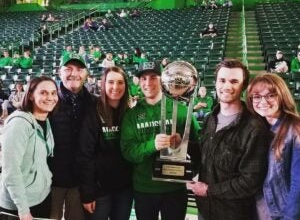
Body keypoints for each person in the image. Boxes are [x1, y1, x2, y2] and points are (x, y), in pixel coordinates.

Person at [187, 59, 271, 220]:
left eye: (234, 81)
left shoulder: (254, 128)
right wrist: (181, 144)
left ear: (244, 86)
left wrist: (208, 190)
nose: (226, 86)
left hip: (234, 214)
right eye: (222, 80)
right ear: (216, 82)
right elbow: (204, 153)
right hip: (205, 209)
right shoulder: (210, 118)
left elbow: (250, 181)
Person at [120, 61, 200, 220]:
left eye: (153, 77)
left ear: (162, 80)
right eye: (143, 78)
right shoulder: (131, 115)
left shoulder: (182, 111)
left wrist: (184, 148)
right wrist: (153, 145)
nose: (147, 83)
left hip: (174, 189)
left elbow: (199, 147)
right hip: (144, 190)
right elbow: (128, 152)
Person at [77, 66, 133, 220]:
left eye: (120, 82)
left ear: (126, 86)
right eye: (111, 82)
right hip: (99, 191)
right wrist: (87, 193)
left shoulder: (130, 114)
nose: (116, 87)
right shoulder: (92, 113)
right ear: (103, 84)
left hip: (124, 189)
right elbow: (84, 155)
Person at [0, 76, 59, 220]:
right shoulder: (18, 124)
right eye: (43, 92)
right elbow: (10, 170)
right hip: (19, 206)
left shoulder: (46, 120)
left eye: (53, 93)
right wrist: (23, 210)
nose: (50, 97)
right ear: (31, 95)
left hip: (41, 198)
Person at [48, 53, 97, 220]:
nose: (74, 73)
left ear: (86, 74)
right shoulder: (47, 100)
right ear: (59, 72)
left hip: (80, 183)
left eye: (80, 69)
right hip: (50, 183)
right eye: (68, 68)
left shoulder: (95, 103)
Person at [246, 73, 300, 220]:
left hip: (283, 213)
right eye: (257, 97)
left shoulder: (295, 129)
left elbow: (298, 183)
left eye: (270, 95)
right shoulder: (255, 128)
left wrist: (290, 216)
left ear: (282, 96)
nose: (263, 101)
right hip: (258, 210)